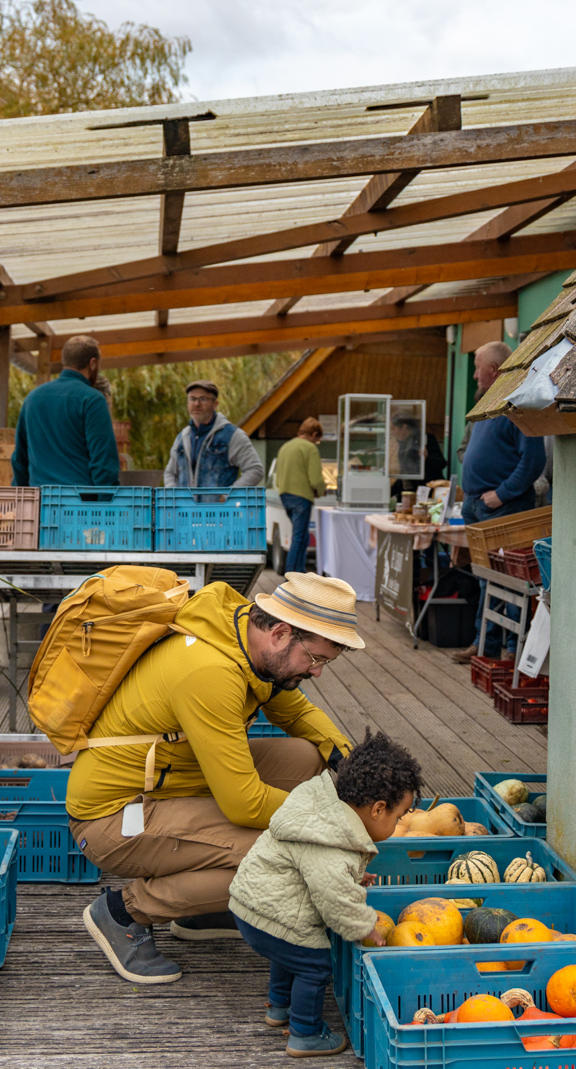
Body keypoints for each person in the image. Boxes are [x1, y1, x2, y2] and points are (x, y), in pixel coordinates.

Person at [71, 573, 363, 985]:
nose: (317, 673)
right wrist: (337, 820)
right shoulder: (211, 671)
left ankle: (199, 908)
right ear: (280, 633)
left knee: (304, 756)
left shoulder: (242, 635)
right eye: (316, 660)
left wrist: (354, 767)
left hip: (172, 785)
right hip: (115, 817)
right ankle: (125, 912)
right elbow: (244, 804)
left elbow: (295, 713)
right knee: (274, 855)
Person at [229, 729, 422, 1057]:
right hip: (270, 912)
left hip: (253, 905)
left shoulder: (324, 811)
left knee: (288, 950)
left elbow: (321, 872)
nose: (399, 821)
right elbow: (336, 899)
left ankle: (279, 1006)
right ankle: (305, 1032)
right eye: (399, 815)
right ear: (377, 810)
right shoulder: (333, 844)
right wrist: (366, 924)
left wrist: (353, 876)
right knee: (315, 962)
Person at [452, 341, 546, 664]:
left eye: (478, 368)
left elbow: (533, 460)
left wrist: (503, 493)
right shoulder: (487, 405)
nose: (475, 374)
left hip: (502, 507)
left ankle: (509, 648)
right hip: (477, 506)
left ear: (493, 371)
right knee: (485, 578)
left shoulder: (514, 405)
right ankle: (484, 646)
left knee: (509, 581)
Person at [11, 334, 120, 488]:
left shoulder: (32, 399)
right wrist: (106, 505)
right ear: (93, 363)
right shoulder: (92, 400)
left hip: (41, 503)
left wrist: (23, 502)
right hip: (80, 504)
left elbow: (20, 459)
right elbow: (103, 462)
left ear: (65, 361)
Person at [163, 380, 263, 489]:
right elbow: (170, 473)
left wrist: (227, 496)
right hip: (186, 506)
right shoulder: (182, 438)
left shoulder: (232, 436)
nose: (196, 404)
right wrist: (173, 495)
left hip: (219, 506)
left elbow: (255, 470)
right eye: (192, 399)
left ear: (215, 404)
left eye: (203, 399)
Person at [274, 418, 326, 576]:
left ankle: (299, 571)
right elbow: (315, 478)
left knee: (302, 535)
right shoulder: (309, 448)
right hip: (301, 496)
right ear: (314, 434)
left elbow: (278, 476)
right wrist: (321, 490)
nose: (316, 443)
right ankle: (292, 574)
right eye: (317, 440)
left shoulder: (286, 446)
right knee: (299, 535)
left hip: (285, 495)